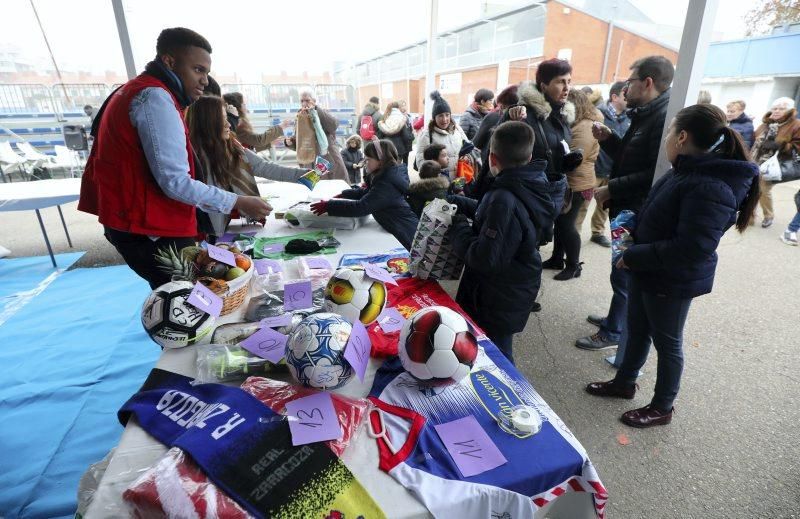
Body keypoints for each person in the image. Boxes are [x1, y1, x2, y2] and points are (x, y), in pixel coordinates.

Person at [586, 104, 759, 428]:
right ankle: (624, 382)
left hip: (672, 279)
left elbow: (692, 247)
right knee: (637, 329)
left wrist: (634, 254)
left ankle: (662, 406)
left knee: (668, 343)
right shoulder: (685, 170)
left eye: (669, 131)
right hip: (649, 268)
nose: (667, 137)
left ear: (681, 136)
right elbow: (660, 213)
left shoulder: (711, 185)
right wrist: (633, 226)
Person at [78, 27, 271, 289]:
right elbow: (174, 181)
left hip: (131, 222)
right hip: (151, 229)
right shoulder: (155, 98)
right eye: (198, 70)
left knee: (179, 298)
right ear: (169, 61)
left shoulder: (132, 90)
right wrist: (237, 201)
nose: (204, 80)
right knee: (191, 304)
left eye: (207, 72)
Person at [577, 55, 674, 356]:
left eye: (630, 82)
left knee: (623, 269)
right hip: (627, 207)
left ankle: (613, 331)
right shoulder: (645, 113)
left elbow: (655, 173)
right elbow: (633, 157)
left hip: (635, 210)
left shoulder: (661, 118)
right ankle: (615, 319)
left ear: (647, 82)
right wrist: (610, 140)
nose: (626, 89)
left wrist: (611, 188)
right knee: (620, 268)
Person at [448, 121, 564, 363]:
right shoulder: (530, 182)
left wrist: (458, 226)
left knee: (497, 355)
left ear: (491, 157)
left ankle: (507, 398)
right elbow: (495, 217)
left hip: (498, 295)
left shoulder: (503, 197)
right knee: (497, 347)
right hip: (514, 285)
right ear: (529, 156)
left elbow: (483, 258)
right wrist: (461, 204)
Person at [185, 95, 308, 238]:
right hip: (202, 236)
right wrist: (239, 202)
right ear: (207, 123)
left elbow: (263, 167)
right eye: (223, 119)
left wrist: (306, 175)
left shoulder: (231, 146)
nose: (229, 124)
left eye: (227, 118)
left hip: (222, 229)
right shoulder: (193, 158)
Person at [310, 139, 419, 249]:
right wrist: (345, 194)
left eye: (368, 160)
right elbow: (368, 192)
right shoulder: (388, 176)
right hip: (399, 227)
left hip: (406, 233)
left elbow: (361, 207)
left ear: (381, 160)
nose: (365, 163)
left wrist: (329, 206)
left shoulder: (387, 182)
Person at [545, 89, 601, 281]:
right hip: (573, 181)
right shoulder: (578, 124)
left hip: (578, 183)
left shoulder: (585, 126)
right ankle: (557, 258)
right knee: (561, 223)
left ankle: (573, 266)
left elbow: (575, 157)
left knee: (567, 226)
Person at [576, 81, 629, 248]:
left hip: (613, 169)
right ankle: (573, 233)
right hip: (595, 168)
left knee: (605, 205)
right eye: (624, 93)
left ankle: (597, 232)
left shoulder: (630, 118)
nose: (627, 96)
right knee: (583, 204)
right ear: (614, 96)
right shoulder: (599, 114)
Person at [751, 97, 800, 228]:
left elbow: (797, 146)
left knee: (762, 189)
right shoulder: (766, 123)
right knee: (751, 187)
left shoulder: (796, 124)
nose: (777, 111)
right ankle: (749, 214)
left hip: (775, 164)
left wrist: (779, 145)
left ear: (789, 110)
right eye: (775, 108)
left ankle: (768, 215)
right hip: (756, 161)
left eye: (781, 109)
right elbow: (754, 138)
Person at [467, 85, 519, 201]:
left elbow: (477, 142)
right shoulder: (528, 125)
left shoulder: (493, 116)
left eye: (502, 107)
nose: (500, 110)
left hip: (494, 169)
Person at [283, 91, 348, 181]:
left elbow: (333, 125)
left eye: (307, 100)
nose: (304, 103)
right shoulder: (300, 116)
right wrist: (290, 143)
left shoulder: (321, 112)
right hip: (310, 161)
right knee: (317, 192)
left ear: (314, 100)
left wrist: (316, 109)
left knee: (336, 190)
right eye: (302, 101)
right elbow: (300, 143)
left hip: (328, 158)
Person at [415, 91, 472, 178]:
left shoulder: (457, 129)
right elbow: (421, 162)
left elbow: (467, 148)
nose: (444, 119)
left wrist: (467, 157)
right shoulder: (426, 135)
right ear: (434, 118)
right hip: (440, 181)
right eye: (440, 116)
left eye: (447, 115)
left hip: (460, 177)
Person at [223, 92, 289, 153]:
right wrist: (280, 127)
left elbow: (246, 147)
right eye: (244, 104)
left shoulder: (236, 123)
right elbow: (259, 140)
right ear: (238, 107)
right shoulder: (239, 124)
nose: (246, 107)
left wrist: (269, 144)